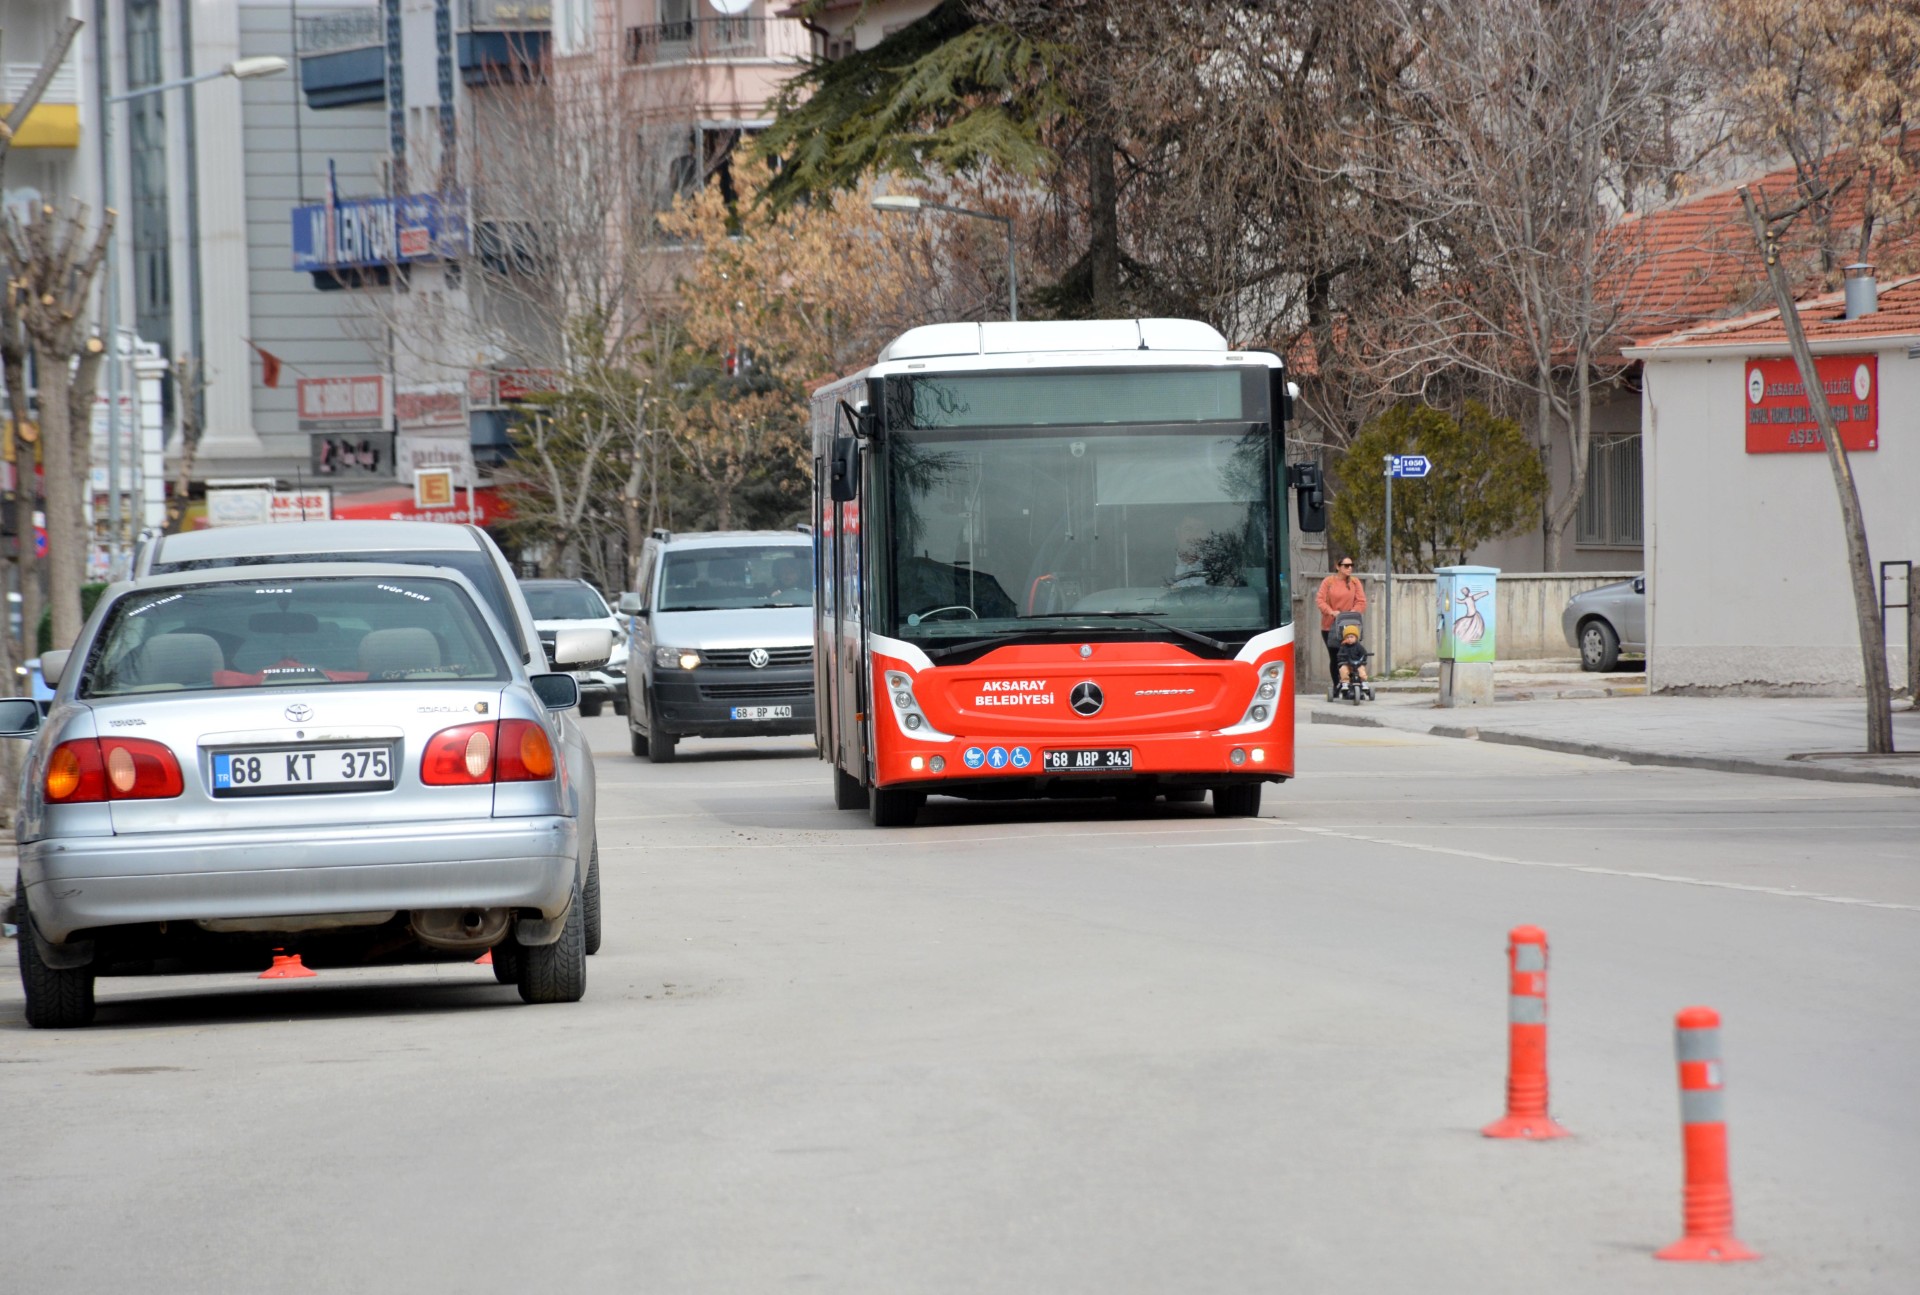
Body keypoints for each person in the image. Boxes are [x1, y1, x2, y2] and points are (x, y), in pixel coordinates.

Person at [1315, 555, 1368, 681]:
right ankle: (1337, 685)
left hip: (1349, 626)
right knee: (1335, 657)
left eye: (1351, 565)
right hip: (1330, 625)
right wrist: (1331, 612)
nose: (1350, 568)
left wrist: (1353, 613)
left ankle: (1353, 682)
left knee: (1352, 654)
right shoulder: (1328, 582)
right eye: (1346, 565)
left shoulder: (1355, 582)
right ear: (1338, 566)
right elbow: (1320, 600)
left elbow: (1361, 601)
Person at [1169, 517, 1212, 587]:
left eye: (1200, 530)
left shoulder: (1219, 565)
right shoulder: (1157, 565)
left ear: (1207, 535)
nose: (1194, 535)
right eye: (1188, 529)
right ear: (1178, 533)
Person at [1335, 623, 1370, 695]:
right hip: (1347, 664)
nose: (1349, 639)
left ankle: (1364, 682)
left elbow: (1364, 654)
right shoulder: (1343, 647)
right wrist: (1341, 659)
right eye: (1347, 637)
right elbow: (1339, 655)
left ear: (1356, 638)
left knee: (1361, 670)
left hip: (1357, 664)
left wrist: (1363, 659)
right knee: (1343, 670)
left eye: (1351, 637)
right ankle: (1345, 682)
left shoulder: (1359, 646)